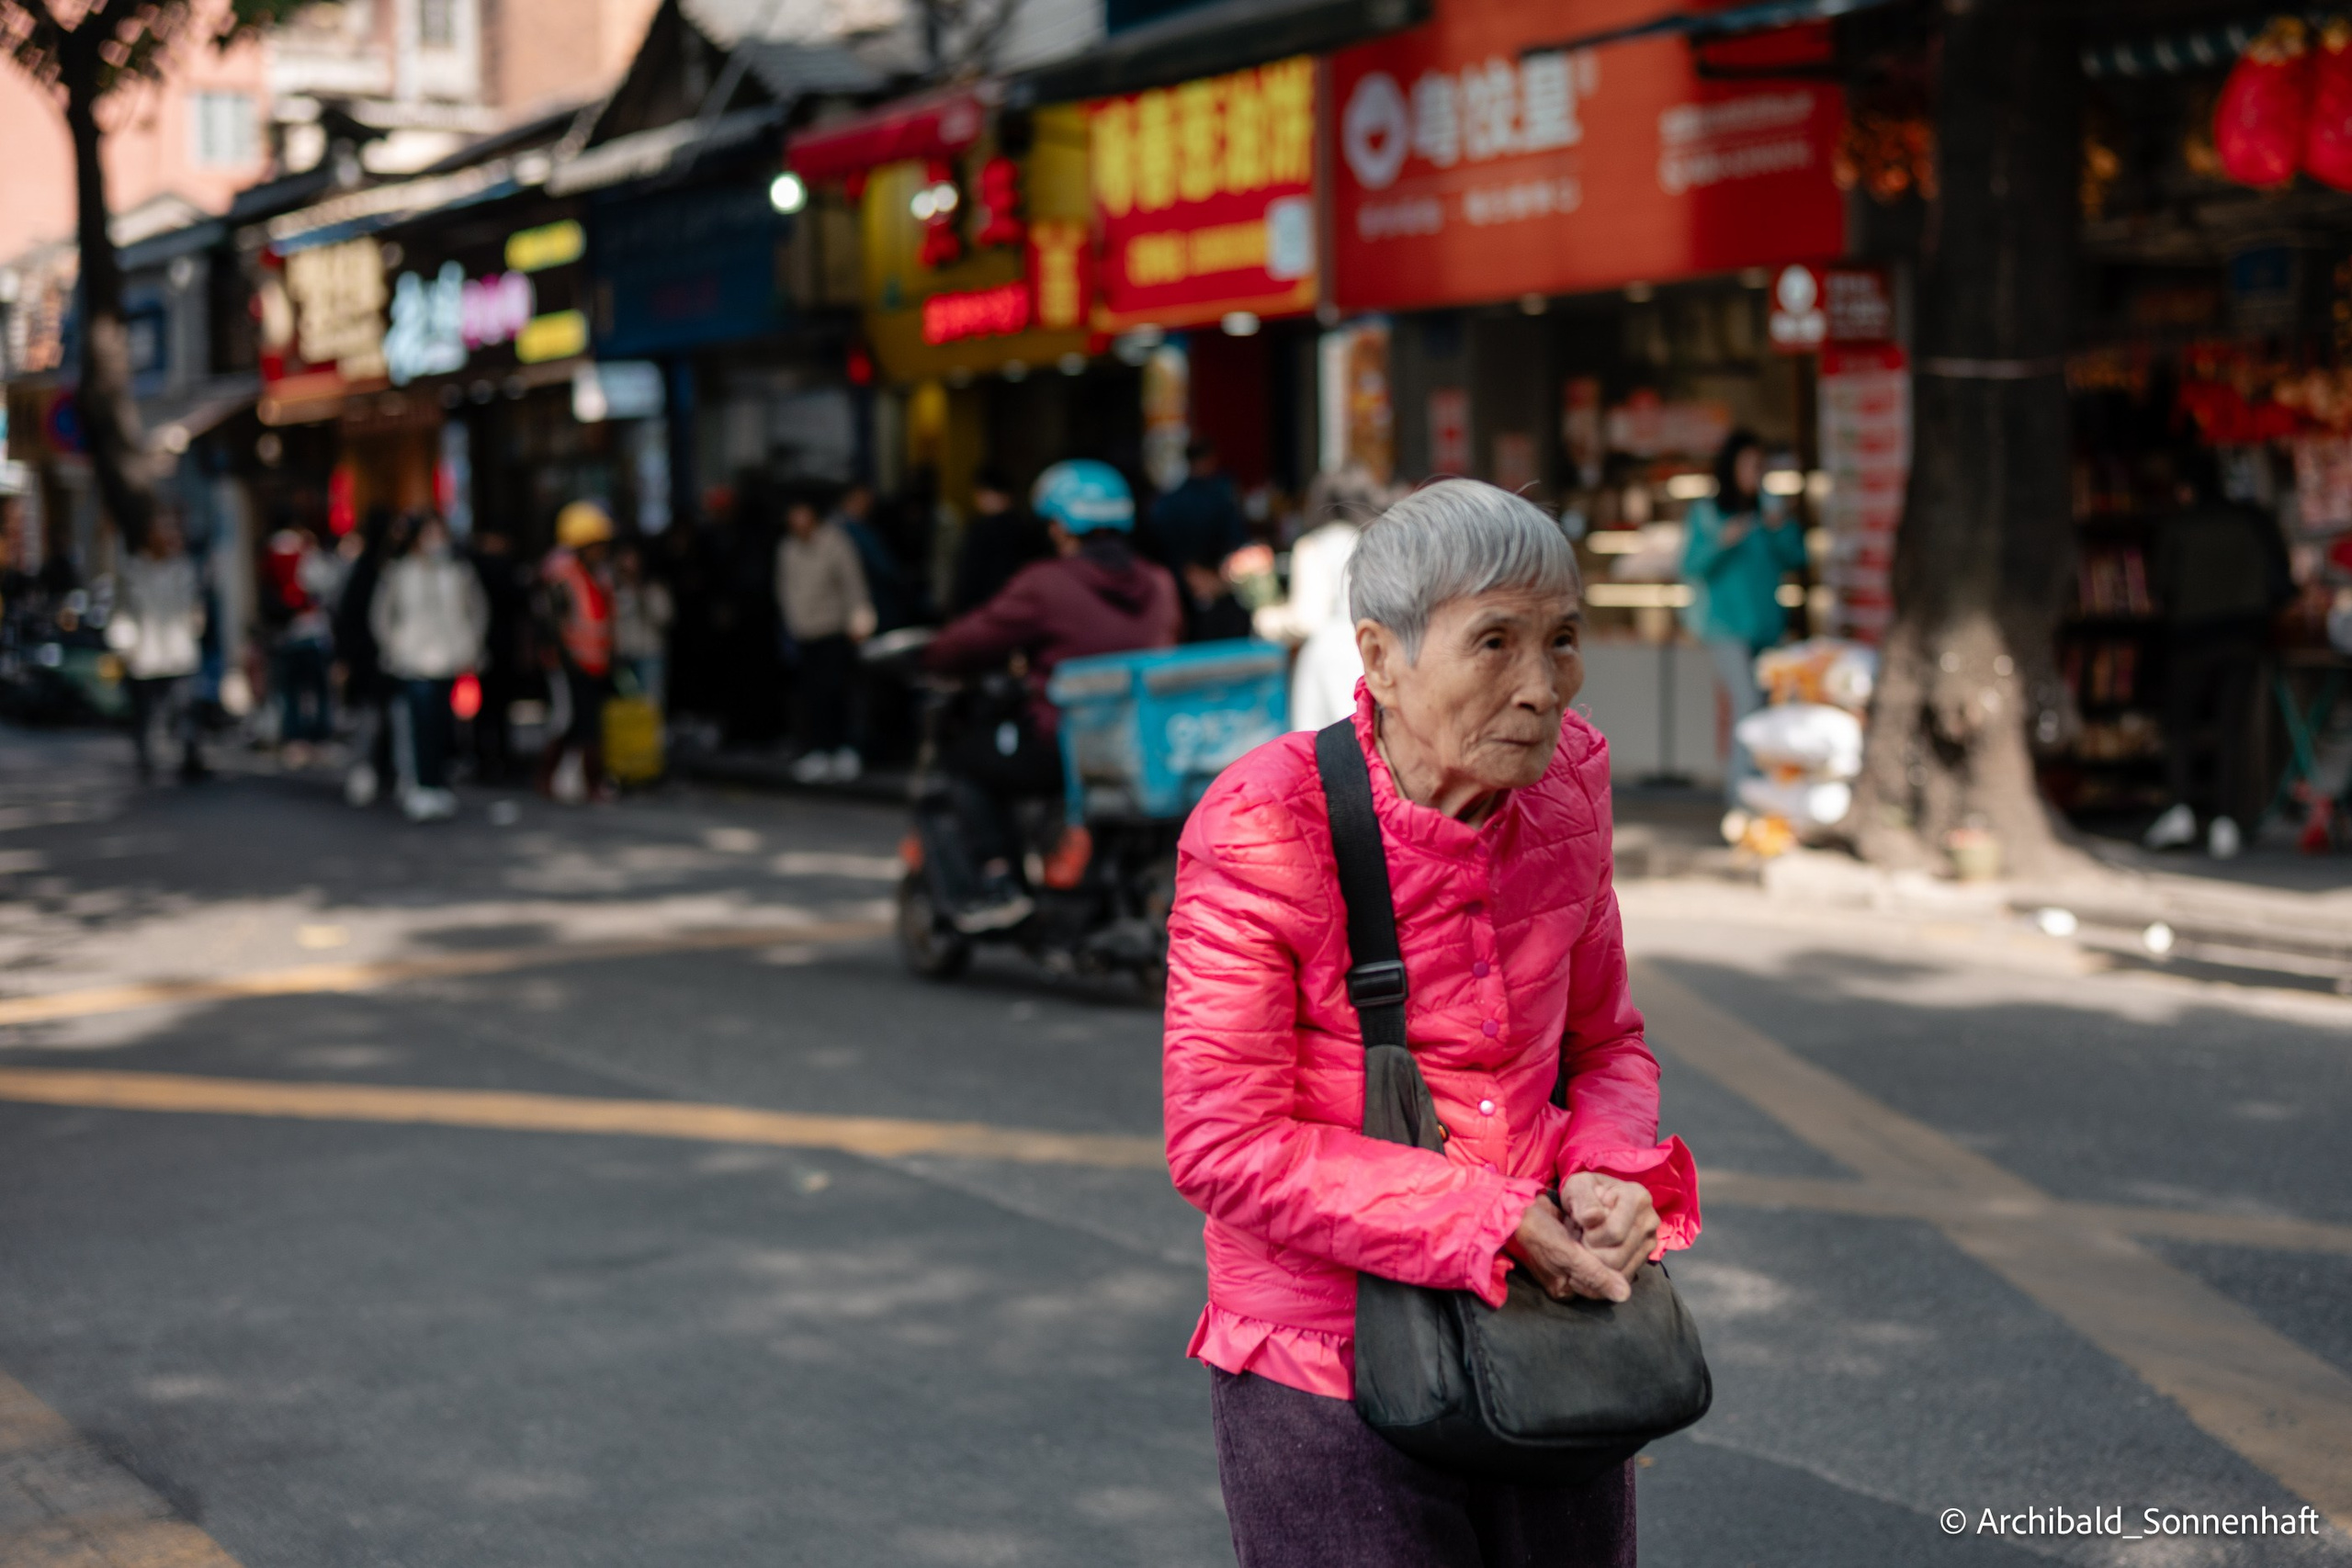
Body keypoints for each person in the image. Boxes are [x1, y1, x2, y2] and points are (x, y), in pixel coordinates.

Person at [1161, 479, 1699, 1567]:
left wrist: (1614, 1174)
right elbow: (1223, 1142)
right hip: (1325, 1362)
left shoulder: (1568, 788)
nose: (1540, 688)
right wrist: (1483, 1218)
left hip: (1549, 1336)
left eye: (1561, 641)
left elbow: (1605, 1045)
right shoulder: (1263, 821)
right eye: (1494, 642)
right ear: (1380, 657)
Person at [924, 459, 1182, 930]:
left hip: (1063, 748)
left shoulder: (1045, 584)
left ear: (1061, 526)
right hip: (1146, 747)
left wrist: (929, 655)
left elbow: (971, 640)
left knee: (963, 764)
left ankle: (998, 880)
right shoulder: (1161, 584)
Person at [2142, 450, 2294, 860]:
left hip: (2191, 639)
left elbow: (2160, 588)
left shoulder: (2180, 525)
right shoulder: (2252, 520)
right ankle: (2225, 820)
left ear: (2186, 488)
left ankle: (2182, 808)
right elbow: (2282, 581)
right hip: (2243, 636)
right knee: (2232, 730)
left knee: (2180, 728)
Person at [1680, 430, 1807, 807]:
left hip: (1768, 629)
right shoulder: (1708, 513)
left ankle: (1765, 798)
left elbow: (1798, 557)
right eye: (1749, 465)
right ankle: (1741, 801)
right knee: (1746, 705)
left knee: (1766, 712)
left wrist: (1779, 525)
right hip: (1725, 629)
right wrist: (1722, 540)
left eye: (1760, 466)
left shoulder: (1770, 511)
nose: (1755, 473)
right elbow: (1689, 566)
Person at [372, 512, 488, 823]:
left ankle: (437, 783)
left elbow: (475, 611)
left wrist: (471, 647)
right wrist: (393, 648)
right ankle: (420, 785)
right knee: (419, 725)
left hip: (451, 660)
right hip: (411, 661)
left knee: (443, 725)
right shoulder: (398, 572)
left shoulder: (458, 572)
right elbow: (383, 616)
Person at [1255, 466, 1386, 732]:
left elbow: (1307, 618)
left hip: (1328, 656)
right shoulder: (1377, 540)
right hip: (1374, 648)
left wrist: (1266, 619)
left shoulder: (1314, 544)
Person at [776, 496, 876, 784]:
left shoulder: (835, 543)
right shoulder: (787, 548)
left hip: (834, 629)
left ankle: (845, 749)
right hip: (804, 632)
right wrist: (792, 622)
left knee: (838, 692)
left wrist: (858, 619)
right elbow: (785, 588)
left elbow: (853, 585)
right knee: (812, 695)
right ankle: (819, 750)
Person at [109, 518, 209, 783]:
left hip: (178, 653)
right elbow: (123, 612)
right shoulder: (133, 572)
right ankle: (146, 759)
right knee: (146, 713)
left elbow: (193, 606)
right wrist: (125, 645)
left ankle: (191, 757)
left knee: (185, 706)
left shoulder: (182, 570)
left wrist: (196, 624)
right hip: (145, 653)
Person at [540, 502, 617, 804]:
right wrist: (566, 659)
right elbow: (552, 623)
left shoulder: (600, 574)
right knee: (571, 721)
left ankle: (586, 779)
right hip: (570, 664)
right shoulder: (561, 576)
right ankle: (559, 777)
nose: (601, 550)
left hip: (596, 662)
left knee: (589, 722)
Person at [1144, 440, 1253, 642]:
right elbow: (1239, 545)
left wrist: (1184, 571)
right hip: (1215, 592)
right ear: (1210, 460)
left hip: (1177, 593)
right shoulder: (1220, 498)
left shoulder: (1165, 503)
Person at [335, 508, 401, 807]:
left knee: (389, 719)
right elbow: (348, 618)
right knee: (371, 720)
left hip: (393, 658)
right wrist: (345, 658)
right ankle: (365, 773)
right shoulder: (366, 570)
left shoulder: (392, 567)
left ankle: (386, 774)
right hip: (368, 659)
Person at [261, 522, 336, 764]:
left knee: (291, 692)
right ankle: (317, 738)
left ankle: (295, 740)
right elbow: (322, 586)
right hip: (310, 632)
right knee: (317, 690)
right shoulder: (307, 554)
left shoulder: (271, 554)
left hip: (286, 634)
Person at [948, 467, 1049, 615]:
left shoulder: (981, 530)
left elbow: (969, 580)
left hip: (985, 613)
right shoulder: (1028, 527)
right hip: (1021, 610)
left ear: (983, 492)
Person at [611, 541, 673, 713]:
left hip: (650, 655)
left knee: (652, 705)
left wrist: (641, 594)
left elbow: (665, 618)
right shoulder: (612, 589)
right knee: (628, 707)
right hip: (624, 657)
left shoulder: (654, 587)